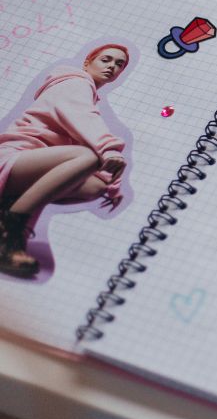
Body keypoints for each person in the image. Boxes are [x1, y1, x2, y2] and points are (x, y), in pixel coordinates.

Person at [0, 44, 131, 278]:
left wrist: (109, 182)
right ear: (87, 62)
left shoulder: (86, 94)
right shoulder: (74, 82)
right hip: (15, 158)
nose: (112, 66)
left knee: (94, 185)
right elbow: (83, 118)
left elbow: (74, 148)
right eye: (106, 59)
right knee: (87, 157)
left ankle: (10, 225)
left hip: (32, 165)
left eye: (119, 64)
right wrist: (109, 149)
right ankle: (9, 228)